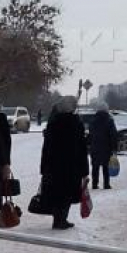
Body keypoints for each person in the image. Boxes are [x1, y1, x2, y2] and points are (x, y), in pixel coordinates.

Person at [40, 96, 89, 230]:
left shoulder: (53, 122)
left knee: (57, 193)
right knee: (67, 194)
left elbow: (47, 147)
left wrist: (44, 167)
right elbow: (82, 148)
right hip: (71, 167)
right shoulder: (76, 123)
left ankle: (57, 219)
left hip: (54, 166)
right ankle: (62, 219)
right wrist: (84, 170)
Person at [88, 102, 118, 189]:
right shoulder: (109, 120)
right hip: (106, 147)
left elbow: (91, 134)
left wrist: (90, 144)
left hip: (95, 147)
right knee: (106, 166)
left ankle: (94, 184)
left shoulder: (93, 121)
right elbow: (113, 135)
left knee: (95, 166)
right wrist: (114, 148)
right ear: (106, 109)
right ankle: (106, 184)